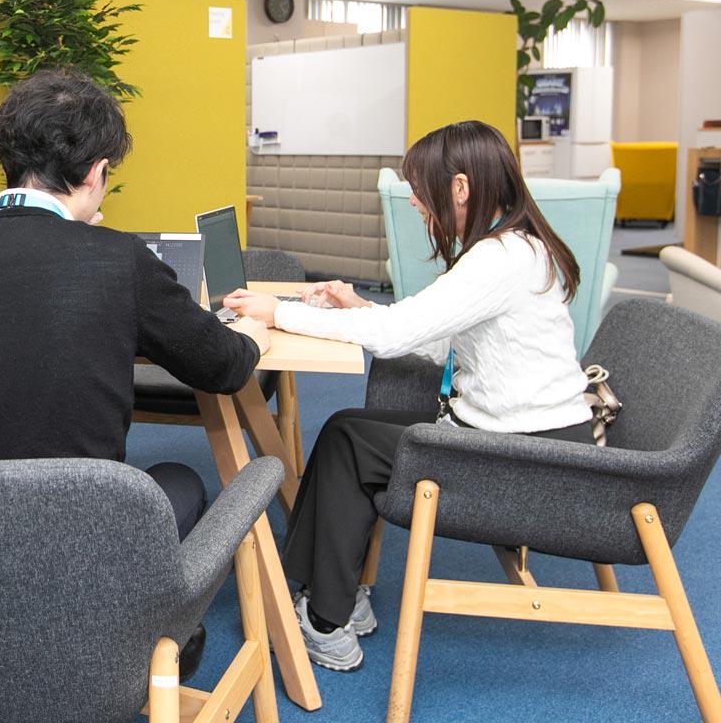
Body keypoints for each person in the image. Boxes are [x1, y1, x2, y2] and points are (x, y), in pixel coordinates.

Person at [0, 67, 271, 679]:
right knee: (181, 480)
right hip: (82, 548)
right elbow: (221, 366)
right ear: (97, 173)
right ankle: (143, 633)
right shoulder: (118, 260)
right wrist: (253, 336)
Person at [223, 120, 594, 673]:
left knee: (348, 440)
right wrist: (362, 309)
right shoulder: (517, 246)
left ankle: (324, 617)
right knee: (350, 431)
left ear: (460, 187)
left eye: (421, 189)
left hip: (527, 457)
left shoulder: (499, 258)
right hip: (532, 436)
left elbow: (397, 337)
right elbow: (443, 339)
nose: (416, 202)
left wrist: (277, 313)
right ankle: (333, 595)